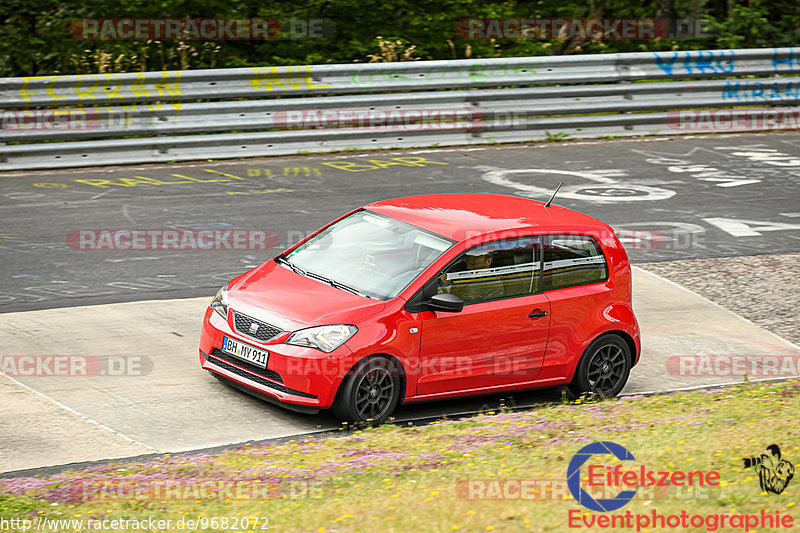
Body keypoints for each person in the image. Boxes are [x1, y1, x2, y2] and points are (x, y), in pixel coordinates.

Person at [438, 250, 504, 302]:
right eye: (469, 256)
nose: (470, 259)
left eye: (476, 257)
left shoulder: (493, 284)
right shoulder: (459, 269)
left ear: (488, 261)